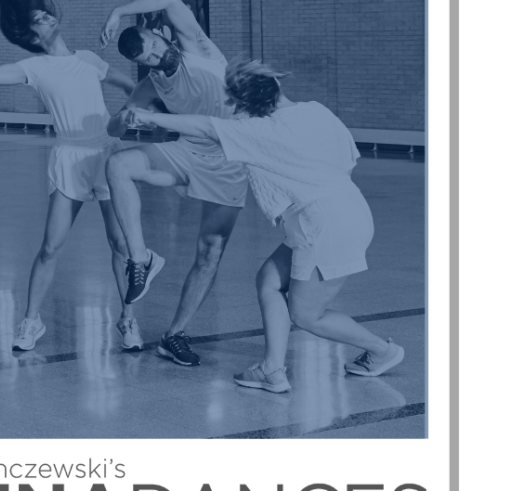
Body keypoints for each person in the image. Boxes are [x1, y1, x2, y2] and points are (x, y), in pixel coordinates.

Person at [123, 60, 403, 392]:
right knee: (269, 279)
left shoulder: (262, 132)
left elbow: (206, 127)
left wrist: (149, 117)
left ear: (248, 105)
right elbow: (347, 159)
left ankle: (382, 351)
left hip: (323, 224)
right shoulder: (316, 111)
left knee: (306, 314)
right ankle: (272, 370)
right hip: (347, 209)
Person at [0, 0, 143, 353]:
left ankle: (128, 320)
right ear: (33, 35)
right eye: (37, 19)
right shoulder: (36, 68)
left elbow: (131, 88)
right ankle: (31, 323)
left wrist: (146, 111)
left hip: (105, 152)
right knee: (50, 247)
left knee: (121, 243)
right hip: (69, 157)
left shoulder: (88, 59)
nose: (46, 17)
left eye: (47, 14)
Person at [99, 0, 249, 367]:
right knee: (118, 165)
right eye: (145, 57)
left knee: (209, 253)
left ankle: (174, 335)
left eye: (152, 45)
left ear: (160, 33)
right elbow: (114, 126)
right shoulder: (152, 84)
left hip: (229, 158)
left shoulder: (195, 45)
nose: (153, 55)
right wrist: (126, 119)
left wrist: (119, 9)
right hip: (187, 152)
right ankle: (141, 258)